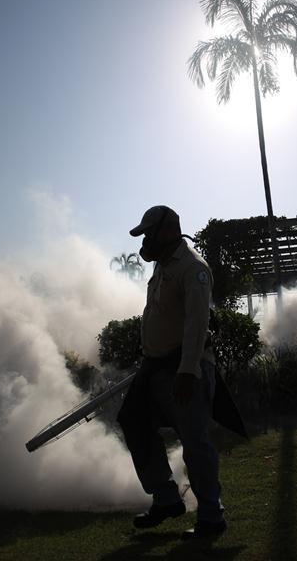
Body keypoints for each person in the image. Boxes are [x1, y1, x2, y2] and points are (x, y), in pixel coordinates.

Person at [117, 205, 228, 540]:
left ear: (167, 230)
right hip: (157, 368)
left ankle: (211, 517)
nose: (145, 241)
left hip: (184, 370)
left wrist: (187, 371)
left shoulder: (192, 268)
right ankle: (165, 497)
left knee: (194, 443)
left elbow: (197, 324)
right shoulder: (163, 266)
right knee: (133, 419)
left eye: (149, 233)